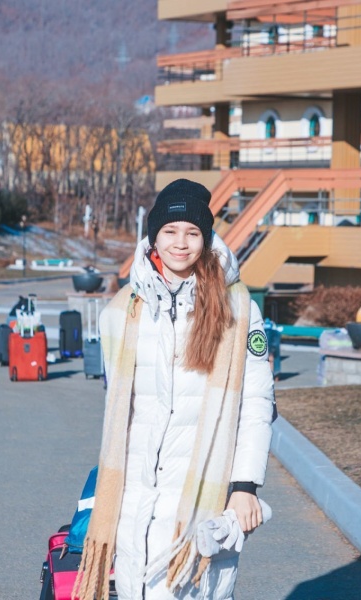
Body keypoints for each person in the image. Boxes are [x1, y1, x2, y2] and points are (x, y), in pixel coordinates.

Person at [76, 179, 276, 600]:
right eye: (169, 231)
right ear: (154, 236)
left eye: (192, 232)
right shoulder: (123, 310)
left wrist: (245, 487)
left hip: (200, 495)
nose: (180, 243)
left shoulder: (237, 308)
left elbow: (257, 405)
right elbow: (121, 414)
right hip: (134, 498)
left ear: (206, 238)